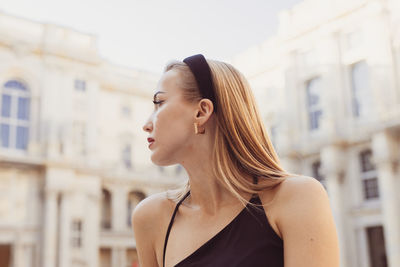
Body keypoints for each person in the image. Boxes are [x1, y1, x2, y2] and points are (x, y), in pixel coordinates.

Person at [132, 54, 340, 267]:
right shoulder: (150, 217)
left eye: (159, 103)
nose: (147, 124)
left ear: (202, 111)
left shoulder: (297, 198)